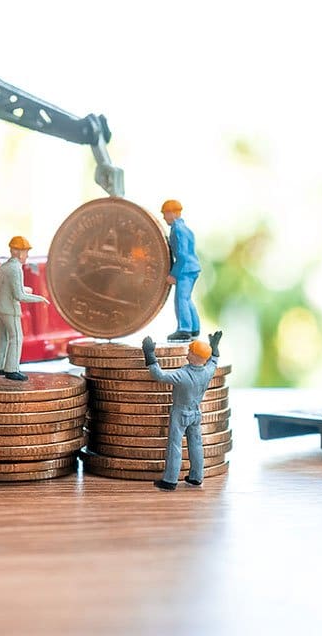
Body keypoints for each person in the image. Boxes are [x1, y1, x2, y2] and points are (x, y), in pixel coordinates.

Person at [143, 331, 222, 491]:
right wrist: (214, 348)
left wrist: (150, 354)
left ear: (195, 356)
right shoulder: (207, 372)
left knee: (174, 445)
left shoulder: (183, 375)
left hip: (180, 413)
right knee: (196, 445)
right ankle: (196, 476)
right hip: (196, 413)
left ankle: (170, 480)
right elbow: (214, 361)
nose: (188, 353)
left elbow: (159, 375)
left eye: (190, 351)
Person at [0, 236, 49, 381]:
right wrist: (39, 298)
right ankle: (11, 369)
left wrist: (25, 289)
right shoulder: (16, 269)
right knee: (16, 337)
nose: (27, 255)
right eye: (26, 252)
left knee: (3, 337)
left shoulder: (3, 266)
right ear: (18, 252)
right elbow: (19, 296)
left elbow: (7, 287)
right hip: (10, 310)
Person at [161, 200, 200, 341]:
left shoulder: (178, 230)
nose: (164, 217)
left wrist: (173, 274)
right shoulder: (185, 228)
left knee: (181, 299)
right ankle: (194, 328)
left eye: (165, 214)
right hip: (192, 267)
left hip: (185, 270)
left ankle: (184, 329)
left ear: (172, 213)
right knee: (187, 299)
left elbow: (182, 255)